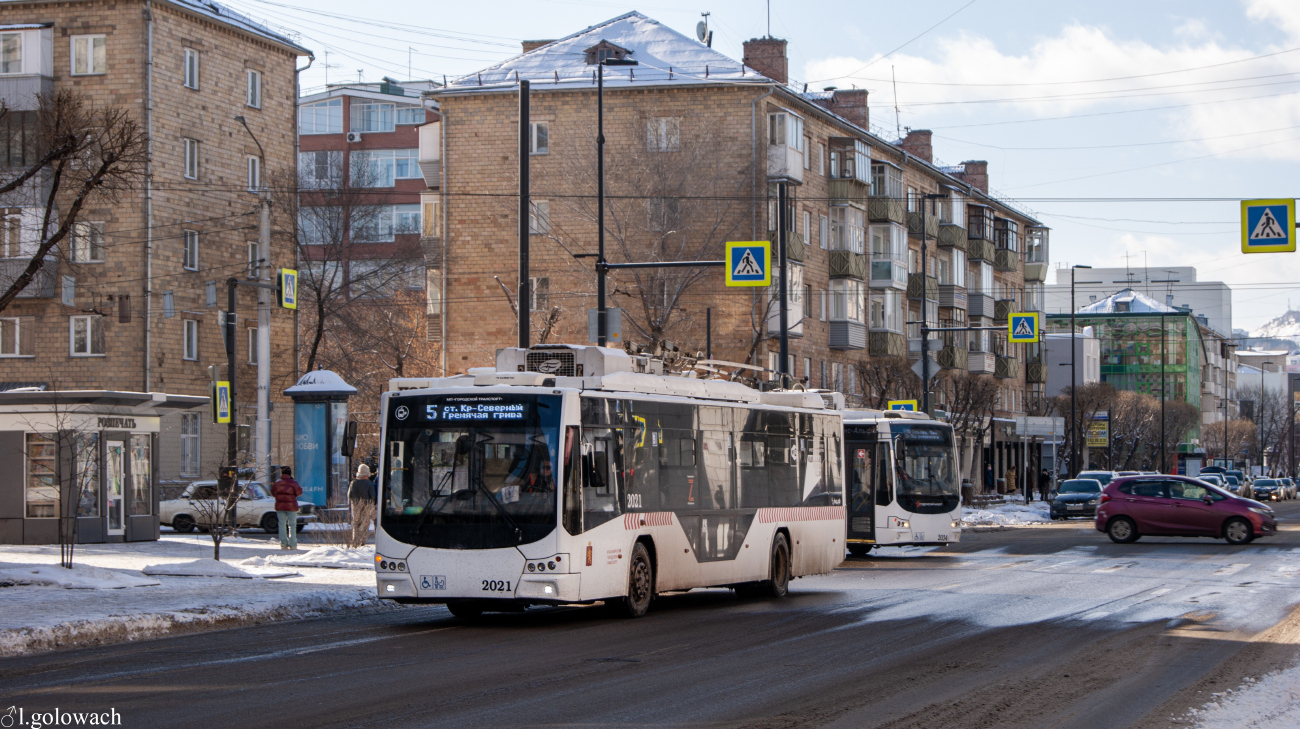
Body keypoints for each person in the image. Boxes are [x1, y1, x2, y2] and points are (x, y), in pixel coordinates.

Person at [271, 466, 303, 550]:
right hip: (291, 506)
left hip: (280, 505)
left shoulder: (277, 482)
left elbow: (273, 492)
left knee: (281, 524)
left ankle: (283, 544)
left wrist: (279, 497)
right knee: (292, 525)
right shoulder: (293, 483)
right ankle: (292, 544)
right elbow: (299, 492)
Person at [348, 464, 377, 546]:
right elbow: (373, 496)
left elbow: (349, 495)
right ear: (366, 474)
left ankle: (354, 540)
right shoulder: (369, 483)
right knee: (365, 523)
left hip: (356, 507)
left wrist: (356, 502)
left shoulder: (353, 483)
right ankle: (362, 541)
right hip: (366, 506)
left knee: (356, 523)